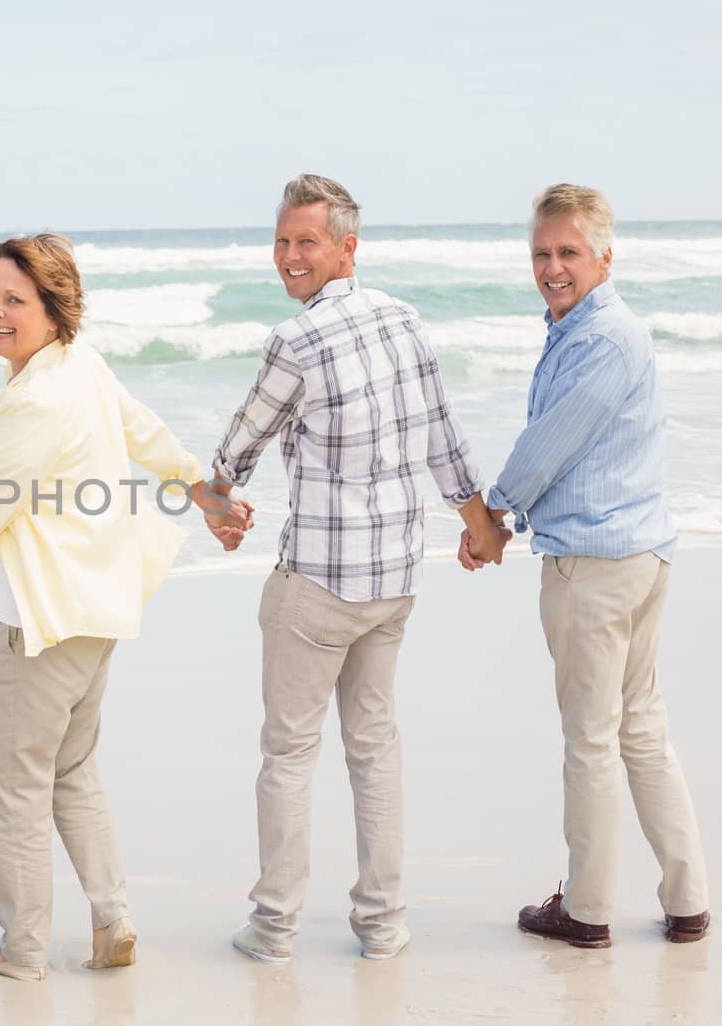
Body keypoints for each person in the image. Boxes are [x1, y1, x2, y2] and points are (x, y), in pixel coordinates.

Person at [0, 233, 246, 981]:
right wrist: (202, 490)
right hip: (97, 613)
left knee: (15, 786)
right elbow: (147, 433)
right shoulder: (82, 366)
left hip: (34, 624)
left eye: (16, 299)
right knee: (72, 769)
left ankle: (23, 947)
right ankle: (111, 921)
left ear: (53, 307)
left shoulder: (39, 396)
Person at [208, 174, 508, 964]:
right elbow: (446, 441)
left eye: (306, 240)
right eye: (281, 240)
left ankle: (273, 926)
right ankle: (384, 923)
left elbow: (238, 445)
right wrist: (480, 528)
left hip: (317, 583)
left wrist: (217, 504)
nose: (289, 256)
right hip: (394, 578)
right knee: (373, 747)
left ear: (347, 246)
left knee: (290, 752)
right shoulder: (405, 320)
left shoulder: (295, 341)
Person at [462, 184, 710, 948]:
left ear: (606, 255)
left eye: (568, 252)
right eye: (541, 253)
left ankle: (589, 909)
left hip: (599, 565)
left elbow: (549, 444)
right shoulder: (581, 329)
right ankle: (687, 899)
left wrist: (490, 515)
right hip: (634, 552)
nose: (552, 267)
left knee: (594, 738)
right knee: (637, 730)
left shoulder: (602, 337)